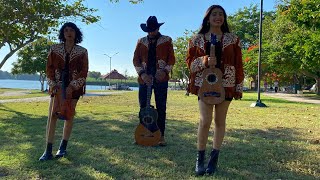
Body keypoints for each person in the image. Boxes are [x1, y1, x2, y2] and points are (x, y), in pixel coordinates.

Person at [186, 5, 244, 175]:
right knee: (205, 121)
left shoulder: (234, 39)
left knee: (220, 121)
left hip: (227, 84)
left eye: (221, 14)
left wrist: (238, 86)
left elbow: (239, 63)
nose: (218, 17)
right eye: (214, 14)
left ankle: (213, 160)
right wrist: (204, 61)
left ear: (224, 18)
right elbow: (190, 63)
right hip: (204, 84)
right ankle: (200, 159)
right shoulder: (196, 39)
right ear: (208, 18)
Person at [39, 22, 89, 161]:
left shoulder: (82, 51)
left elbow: (83, 72)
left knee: (69, 115)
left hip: (74, 89)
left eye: (71, 30)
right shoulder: (54, 49)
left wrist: (72, 86)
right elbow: (49, 69)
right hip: (57, 87)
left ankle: (62, 148)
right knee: (53, 115)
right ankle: (47, 150)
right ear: (63, 33)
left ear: (76, 33)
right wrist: (53, 84)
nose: (69, 33)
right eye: (66, 30)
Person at [133, 16, 175, 146]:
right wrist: (142, 74)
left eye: (154, 29)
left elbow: (171, 59)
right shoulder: (141, 41)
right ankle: (141, 133)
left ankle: (161, 136)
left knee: (161, 107)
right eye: (149, 30)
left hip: (161, 79)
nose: (151, 32)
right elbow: (136, 60)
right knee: (143, 108)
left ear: (158, 28)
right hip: (144, 79)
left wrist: (164, 71)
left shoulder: (167, 40)